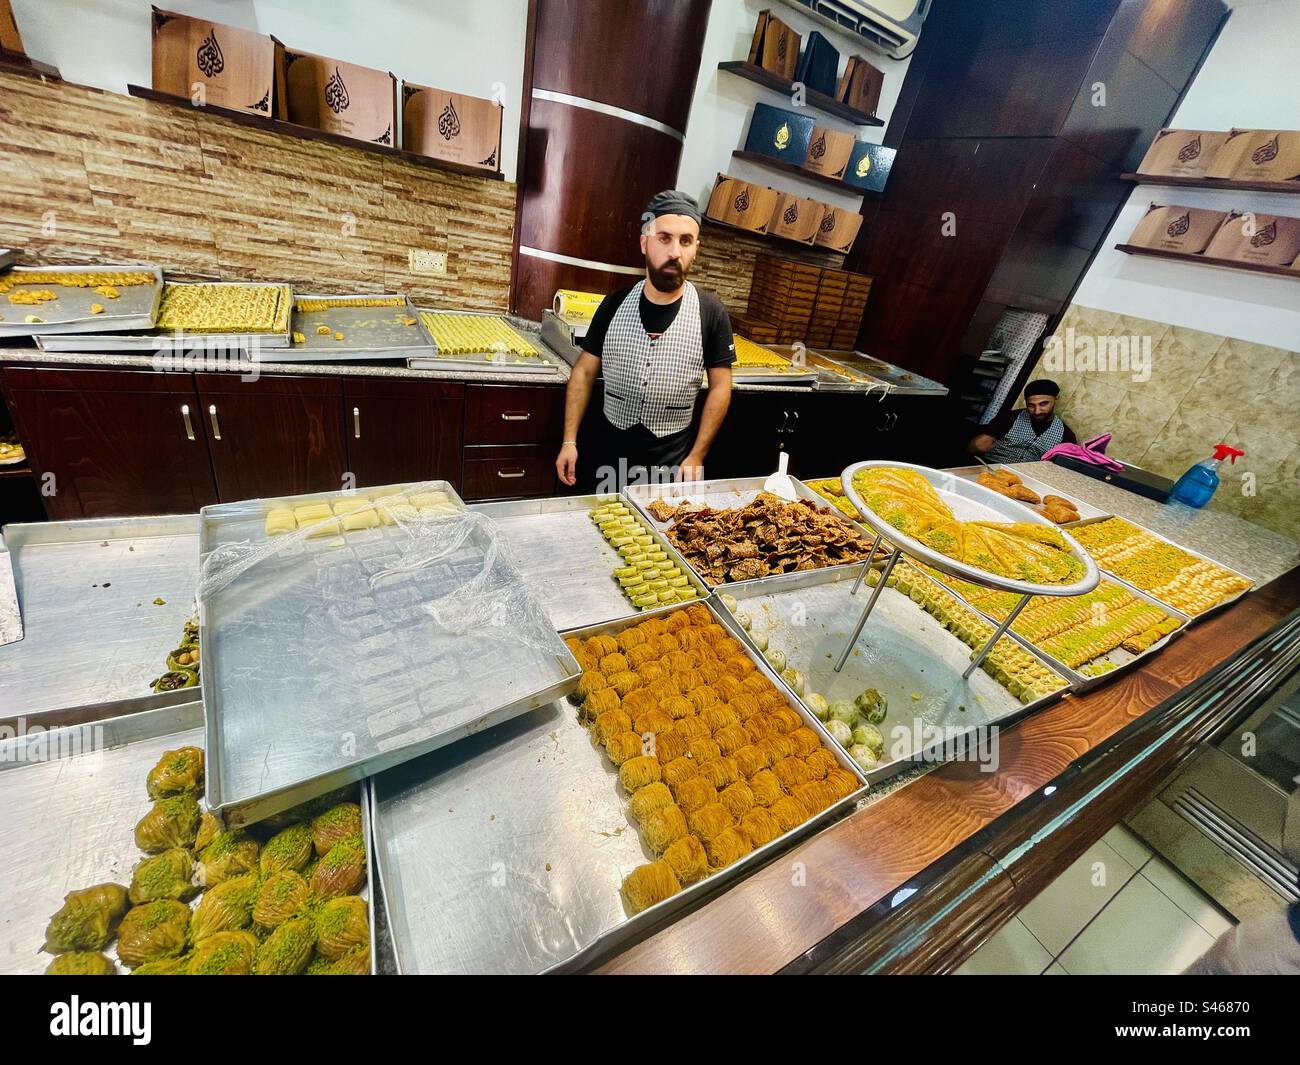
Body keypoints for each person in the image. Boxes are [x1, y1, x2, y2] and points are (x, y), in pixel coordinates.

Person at [555, 190, 735, 490]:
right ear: (644, 242)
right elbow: (584, 372)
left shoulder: (712, 314)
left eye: (685, 241)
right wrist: (569, 441)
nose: (675, 251)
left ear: (695, 249)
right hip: (606, 456)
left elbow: (721, 387)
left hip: (670, 463)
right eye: (664, 238)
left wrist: (697, 455)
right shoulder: (613, 305)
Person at [969, 379, 1076, 464]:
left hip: (1026, 479)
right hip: (991, 466)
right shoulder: (1009, 418)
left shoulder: (1066, 436)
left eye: (1043, 404)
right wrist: (977, 445)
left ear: (1056, 397)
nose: (1037, 411)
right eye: (1031, 405)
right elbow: (977, 446)